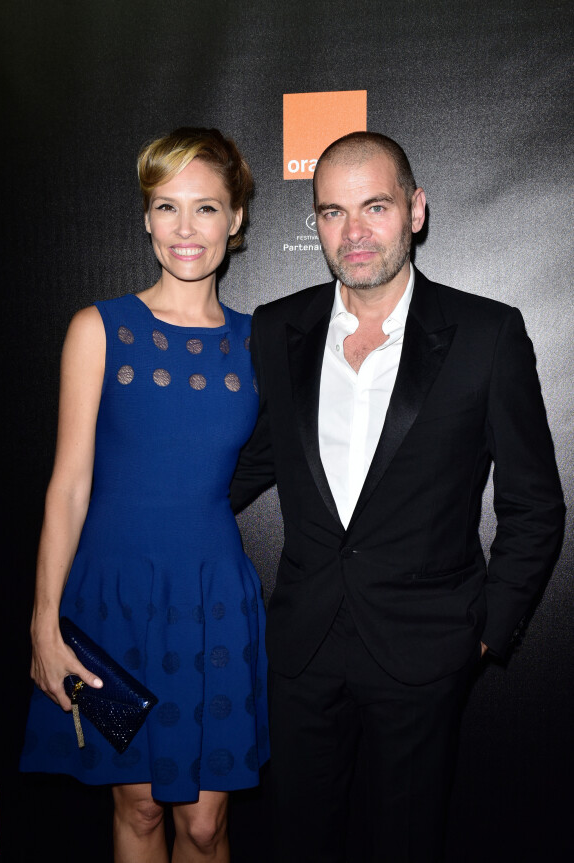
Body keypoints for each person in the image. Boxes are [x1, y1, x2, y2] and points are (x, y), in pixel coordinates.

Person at [230, 131, 565, 862]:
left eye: (374, 206)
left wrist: (484, 630)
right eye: (331, 212)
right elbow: (247, 461)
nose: (353, 232)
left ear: (414, 209)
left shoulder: (487, 334)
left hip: (426, 646)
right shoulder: (277, 328)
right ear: (314, 223)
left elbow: (535, 505)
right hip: (302, 647)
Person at [20, 127, 269, 863]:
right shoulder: (99, 329)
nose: (185, 230)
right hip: (111, 600)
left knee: (202, 823)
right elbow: (68, 485)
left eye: (205, 208)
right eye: (166, 207)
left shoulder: (264, 344)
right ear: (146, 218)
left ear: (237, 219)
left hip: (211, 601)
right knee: (137, 810)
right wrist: (43, 623)